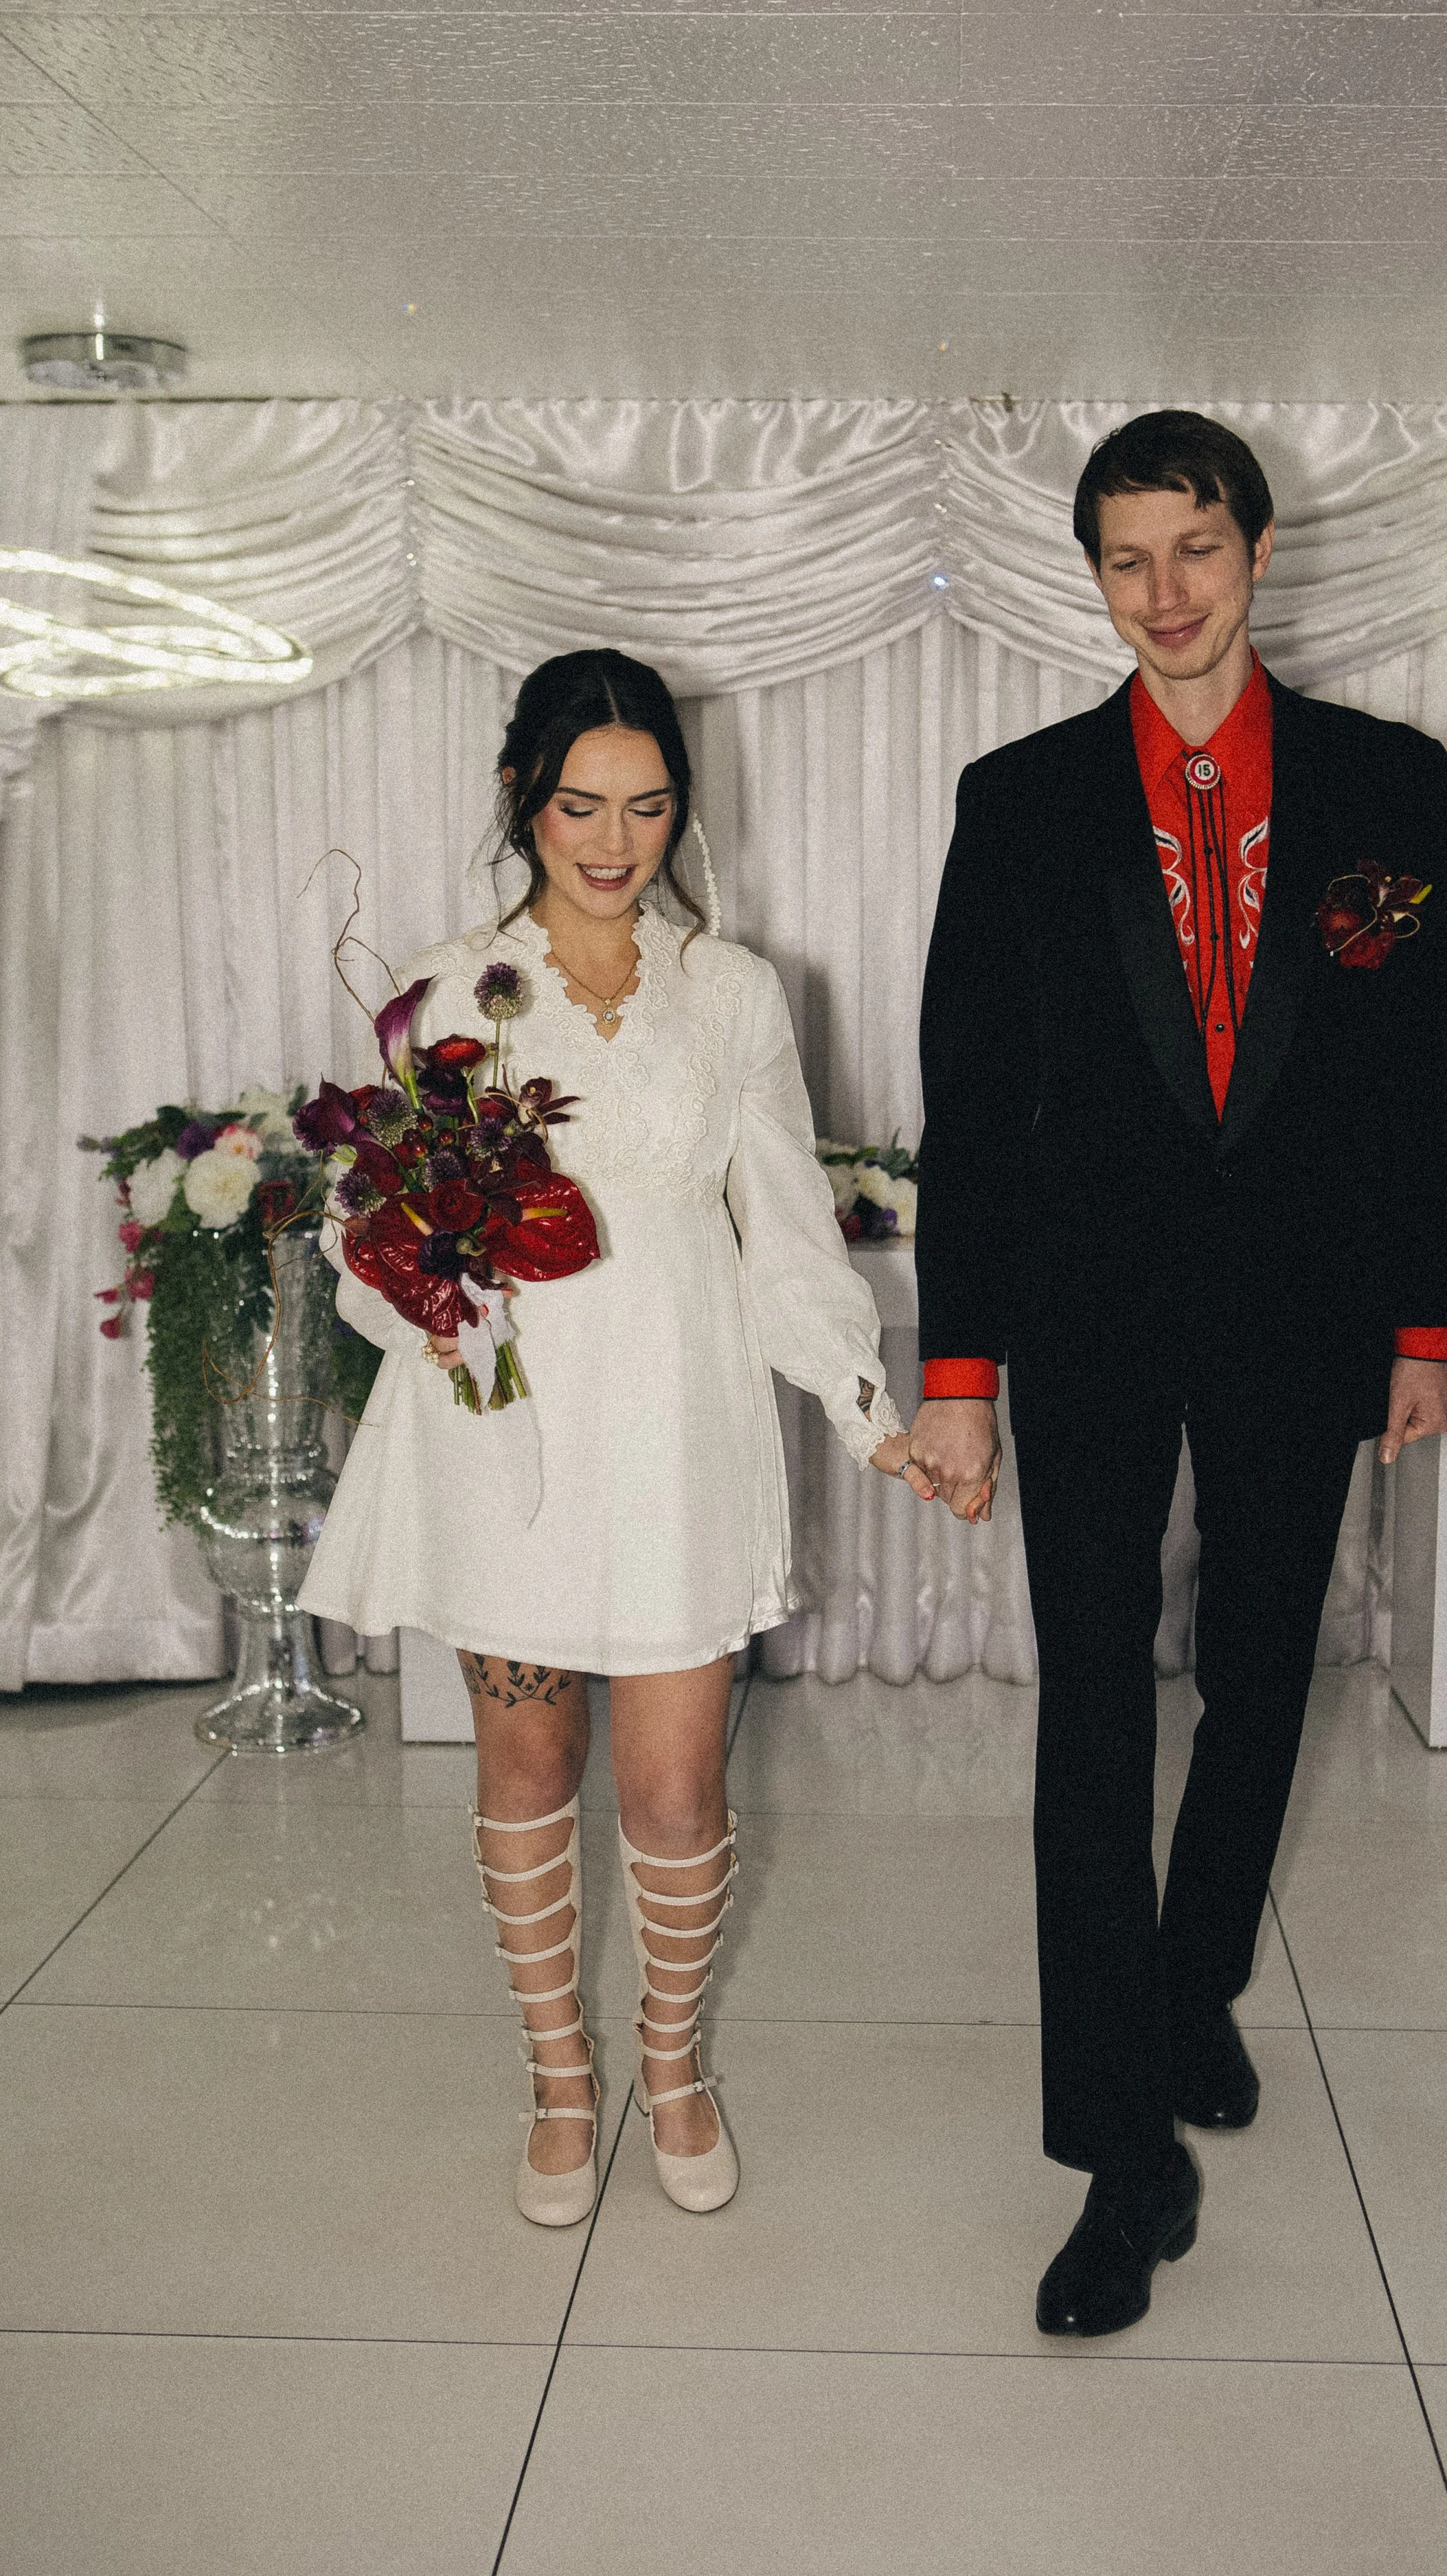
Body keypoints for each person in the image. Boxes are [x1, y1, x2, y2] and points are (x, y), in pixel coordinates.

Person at [904, 412, 1447, 2336]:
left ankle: (1194, 1972)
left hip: (1302, 1311)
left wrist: (1420, 1321)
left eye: (1195, 549)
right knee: (1089, 1713)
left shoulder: (1393, 786)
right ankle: (1116, 2156)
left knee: (1254, 1673)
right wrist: (956, 1363)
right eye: (1127, 558)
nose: (1165, 593)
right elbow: (968, 1104)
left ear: (1255, 548)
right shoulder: (1022, 798)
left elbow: (1413, 1067)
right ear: (1093, 575)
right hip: (1078, 1321)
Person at [301, 648, 931, 2228]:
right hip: (501, 1428)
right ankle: (558, 2080)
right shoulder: (446, 990)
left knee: (673, 1796)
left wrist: (868, 1417)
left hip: (677, 1428)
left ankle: (671, 2061)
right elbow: (361, 1229)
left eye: (647, 807)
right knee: (525, 1761)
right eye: (581, 803)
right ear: (523, 795)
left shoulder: (731, 991)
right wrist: (411, 1269)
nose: (611, 837)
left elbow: (785, 1230)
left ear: (679, 815)